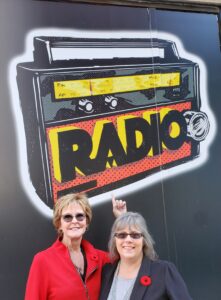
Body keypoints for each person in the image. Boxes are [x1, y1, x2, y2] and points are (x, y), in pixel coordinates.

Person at [25, 193, 126, 300]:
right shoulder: (43, 260)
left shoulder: (100, 259)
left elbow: (129, 258)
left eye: (80, 216)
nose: (74, 221)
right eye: (67, 217)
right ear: (59, 224)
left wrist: (122, 219)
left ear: (86, 222)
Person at [99, 212, 192, 300]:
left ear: (144, 240)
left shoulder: (164, 271)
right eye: (122, 235)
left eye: (135, 235)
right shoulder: (106, 272)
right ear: (115, 240)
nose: (128, 240)